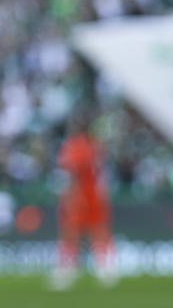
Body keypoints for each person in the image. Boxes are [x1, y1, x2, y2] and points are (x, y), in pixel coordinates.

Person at [51, 109, 118, 290]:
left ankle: (68, 270)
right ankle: (106, 269)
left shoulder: (76, 146)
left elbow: (73, 172)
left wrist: (70, 196)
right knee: (98, 231)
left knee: (74, 232)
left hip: (81, 195)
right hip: (95, 194)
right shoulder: (96, 146)